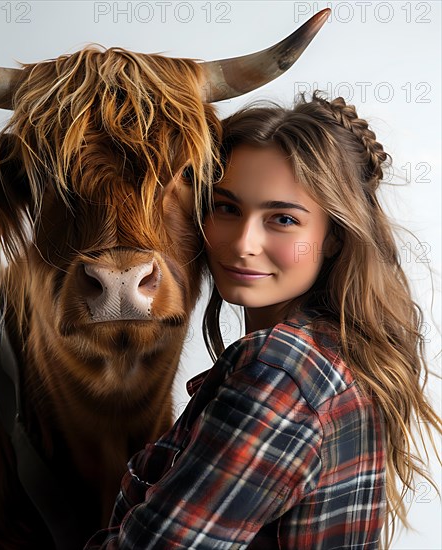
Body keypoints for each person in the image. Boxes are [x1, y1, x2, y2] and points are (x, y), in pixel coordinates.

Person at [85, 92, 441, 549]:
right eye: (227, 208)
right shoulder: (337, 351)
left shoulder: (279, 374)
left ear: (333, 236)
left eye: (283, 219)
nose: (243, 244)